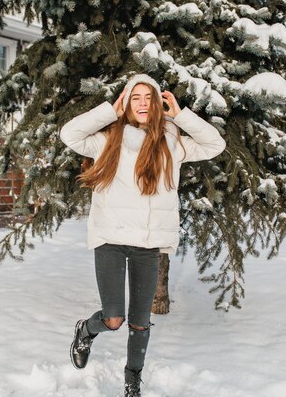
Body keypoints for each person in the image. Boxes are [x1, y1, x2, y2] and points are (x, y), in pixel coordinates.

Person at [59, 74, 225, 397]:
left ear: (158, 104)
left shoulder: (171, 141)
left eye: (149, 98)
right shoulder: (109, 137)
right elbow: (69, 133)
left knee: (139, 322)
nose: (143, 104)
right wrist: (110, 110)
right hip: (110, 238)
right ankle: (85, 330)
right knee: (114, 318)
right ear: (126, 102)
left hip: (147, 244)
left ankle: (132, 379)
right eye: (136, 97)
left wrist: (181, 116)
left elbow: (215, 144)